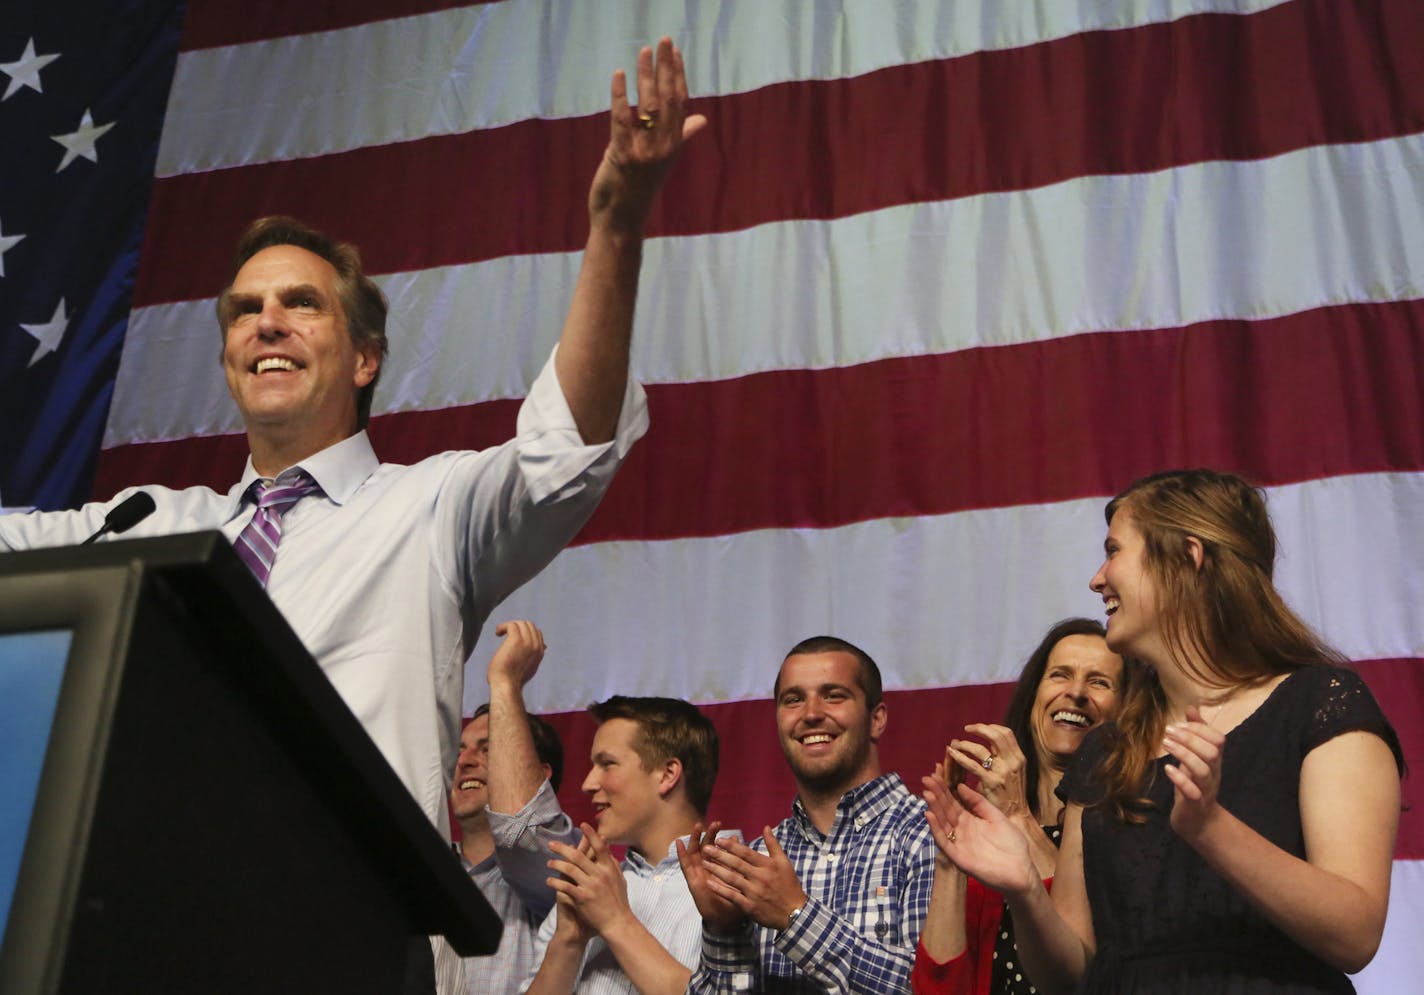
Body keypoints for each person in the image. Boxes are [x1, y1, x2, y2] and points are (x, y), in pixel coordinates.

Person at [0, 38, 706, 833]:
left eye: (300, 302)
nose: (265, 319)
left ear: (365, 357)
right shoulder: (143, 525)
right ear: (230, 361)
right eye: (244, 309)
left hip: (354, 932)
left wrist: (616, 224)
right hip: (161, 909)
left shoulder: (430, 509)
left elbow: (565, 450)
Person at [926, 469, 1405, 994]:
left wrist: (1210, 828)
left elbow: (1354, 934)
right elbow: (1071, 978)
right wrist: (1023, 890)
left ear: (1188, 557)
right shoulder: (1105, 752)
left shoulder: (1319, 704)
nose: (1097, 578)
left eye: (1114, 551)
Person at [679, 635, 938, 993]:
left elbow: (937, 987)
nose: (811, 714)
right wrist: (724, 931)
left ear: (876, 719)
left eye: (833, 695)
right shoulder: (757, 861)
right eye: (793, 700)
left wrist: (795, 915)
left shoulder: (930, 834)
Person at [912, 619, 1130, 993]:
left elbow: (1079, 968)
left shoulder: (1129, 825)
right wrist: (951, 859)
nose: (1075, 692)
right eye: (1060, 675)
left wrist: (1018, 818)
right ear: (1034, 695)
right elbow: (939, 989)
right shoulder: (987, 830)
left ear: (1127, 708)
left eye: (1099, 682)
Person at [521, 695, 732, 994]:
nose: (588, 783)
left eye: (607, 764)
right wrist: (568, 940)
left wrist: (615, 921)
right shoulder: (590, 889)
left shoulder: (741, 881)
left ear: (667, 774)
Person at [449, 619, 578, 993]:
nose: (465, 761)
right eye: (460, 751)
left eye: (487, 749)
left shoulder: (561, 870)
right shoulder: (421, 872)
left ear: (539, 773)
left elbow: (523, 831)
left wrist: (505, 682)